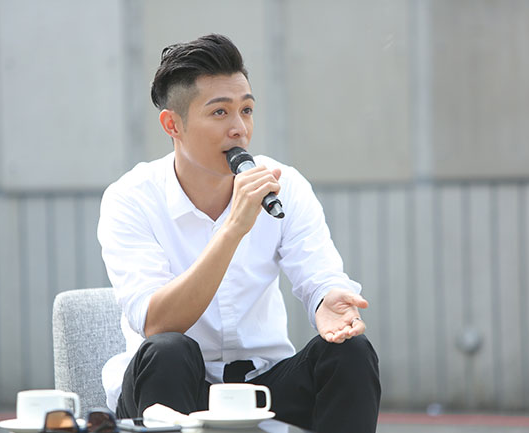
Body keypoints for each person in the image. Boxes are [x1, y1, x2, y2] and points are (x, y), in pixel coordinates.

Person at [97, 34, 381, 432]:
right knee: (168, 350)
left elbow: (318, 272)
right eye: (219, 113)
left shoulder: (284, 184)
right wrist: (234, 228)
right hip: (172, 385)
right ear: (172, 124)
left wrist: (327, 299)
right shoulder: (131, 198)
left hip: (262, 386)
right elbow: (157, 322)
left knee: (350, 352)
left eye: (246, 110)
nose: (239, 129)